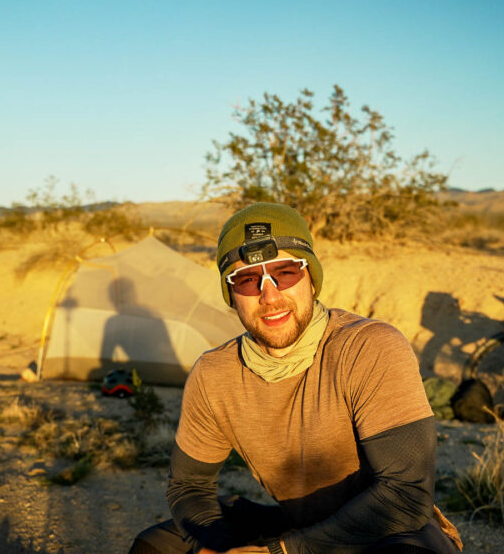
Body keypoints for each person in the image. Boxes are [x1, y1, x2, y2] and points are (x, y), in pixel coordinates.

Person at [130, 203, 462, 554]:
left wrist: (283, 552)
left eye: (285, 273)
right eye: (247, 280)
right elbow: (189, 487)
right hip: (299, 527)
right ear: (231, 295)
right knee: (154, 546)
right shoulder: (214, 373)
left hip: (384, 531)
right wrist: (219, 547)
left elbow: (406, 496)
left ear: (311, 278)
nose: (269, 296)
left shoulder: (369, 347)